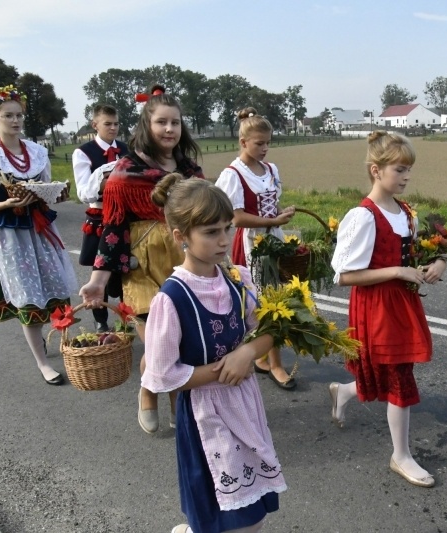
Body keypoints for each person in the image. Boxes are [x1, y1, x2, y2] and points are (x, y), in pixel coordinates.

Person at [143, 175, 286, 533]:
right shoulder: (172, 299)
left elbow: (270, 326)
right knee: (225, 513)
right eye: (210, 232)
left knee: (251, 509)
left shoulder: (237, 278)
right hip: (206, 412)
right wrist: (227, 368)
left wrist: (249, 352)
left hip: (244, 403)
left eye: (227, 228)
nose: (224, 240)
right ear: (181, 237)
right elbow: (161, 374)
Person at [79, 85, 205, 434]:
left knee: (181, 344)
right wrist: (98, 280)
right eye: (161, 122)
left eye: (175, 123)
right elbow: (113, 229)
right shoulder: (123, 173)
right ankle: (149, 393)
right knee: (160, 344)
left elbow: (203, 223)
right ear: (146, 126)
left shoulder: (191, 172)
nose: (169, 129)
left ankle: (175, 398)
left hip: (184, 265)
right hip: (143, 270)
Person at [328, 131, 447, 488]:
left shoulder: (406, 212)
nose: (406, 177)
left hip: (402, 303)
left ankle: (342, 392)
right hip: (376, 306)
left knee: (387, 374)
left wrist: (440, 262)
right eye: (399, 169)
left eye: (409, 170)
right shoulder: (363, 216)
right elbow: (343, 275)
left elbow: (419, 254)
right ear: (375, 170)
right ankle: (401, 455)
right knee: (398, 377)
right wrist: (396, 271)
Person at [0, 84, 77, 385]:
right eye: (7, 116)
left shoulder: (37, 152)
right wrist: (7, 202)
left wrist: (56, 194)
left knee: (55, 288)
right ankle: (42, 362)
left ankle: (64, 345)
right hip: (11, 235)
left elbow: (45, 191)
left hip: (41, 228)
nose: (15, 121)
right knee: (28, 294)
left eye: (18, 115)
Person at [215, 107, 297, 390]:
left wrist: (279, 216)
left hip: (274, 238)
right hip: (252, 243)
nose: (264, 149)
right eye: (259, 143)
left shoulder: (271, 169)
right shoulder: (233, 174)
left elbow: (271, 204)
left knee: (280, 299)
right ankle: (274, 364)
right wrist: (272, 219)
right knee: (266, 303)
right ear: (243, 142)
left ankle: (263, 357)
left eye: (267, 143)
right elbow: (235, 216)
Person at [72, 104, 129, 332]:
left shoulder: (126, 148)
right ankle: (101, 321)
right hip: (100, 214)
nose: (113, 128)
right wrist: (106, 182)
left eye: (116, 124)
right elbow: (84, 192)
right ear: (95, 125)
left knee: (127, 270)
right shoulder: (84, 152)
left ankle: (127, 317)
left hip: (125, 214)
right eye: (108, 124)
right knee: (100, 268)